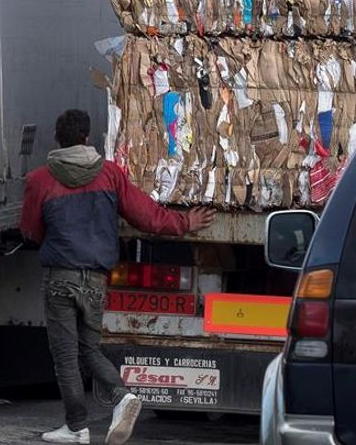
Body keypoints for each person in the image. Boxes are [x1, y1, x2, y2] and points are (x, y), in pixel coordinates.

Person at [19, 109, 216, 445]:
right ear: (86, 138)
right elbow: (148, 217)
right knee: (90, 349)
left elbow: (30, 231)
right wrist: (185, 223)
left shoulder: (40, 180)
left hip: (60, 278)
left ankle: (77, 427)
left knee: (66, 355)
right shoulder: (110, 175)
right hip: (96, 279)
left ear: (57, 139)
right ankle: (122, 398)